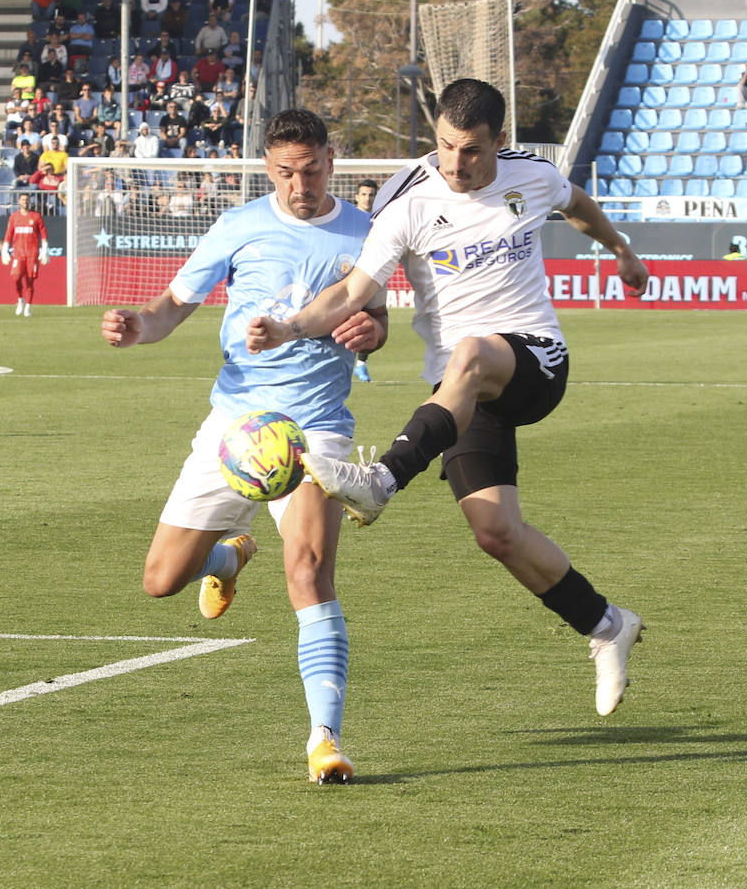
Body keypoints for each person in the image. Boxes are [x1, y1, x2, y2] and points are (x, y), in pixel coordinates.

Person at [245, 79, 649, 720]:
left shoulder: (531, 177)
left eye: (471, 152)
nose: (455, 165)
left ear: (500, 144)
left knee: (470, 352)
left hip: (534, 357)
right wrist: (293, 326)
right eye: (444, 147)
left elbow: (577, 205)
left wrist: (621, 250)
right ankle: (605, 624)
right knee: (496, 532)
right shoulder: (407, 199)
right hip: (460, 391)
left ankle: (379, 481)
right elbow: (353, 292)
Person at [99, 108, 388, 784]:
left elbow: (373, 317)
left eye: (311, 170)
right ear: (268, 168)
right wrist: (139, 326)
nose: (300, 185)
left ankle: (325, 739)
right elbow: (173, 304)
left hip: (314, 427)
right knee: (160, 582)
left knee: (309, 573)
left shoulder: (364, 232)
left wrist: (370, 333)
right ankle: (227, 555)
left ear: (331, 160)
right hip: (234, 428)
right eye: (286, 173)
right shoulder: (237, 226)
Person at [0, 191, 48, 316]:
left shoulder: (36, 217)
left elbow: (43, 234)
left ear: (29, 201)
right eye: (23, 200)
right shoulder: (14, 217)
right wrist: (5, 251)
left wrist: (45, 250)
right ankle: (20, 299)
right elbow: (8, 234)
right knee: (16, 278)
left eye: (27, 200)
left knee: (30, 280)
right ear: (18, 202)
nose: (25, 202)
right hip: (18, 253)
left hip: (32, 253)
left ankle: (28, 306)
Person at [351, 178, 379, 382]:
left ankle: (361, 364)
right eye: (363, 194)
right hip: (349, 274)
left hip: (373, 273)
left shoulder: (381, 218)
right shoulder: (349, 218)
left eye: (371, 195)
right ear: (356, 196)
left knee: (369, 319)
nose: (367, 198)